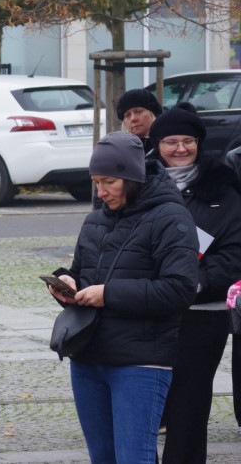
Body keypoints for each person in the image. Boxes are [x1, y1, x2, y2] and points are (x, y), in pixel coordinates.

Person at [46, 131, 199, 463]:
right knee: (102, 457)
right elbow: (82, 272)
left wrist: (108, 295)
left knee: (134, 457)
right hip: (88, 356)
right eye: (96, 182)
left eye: (109, 182)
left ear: (131, 178)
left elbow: (179, 290)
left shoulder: (171, 218)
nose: (100, 192)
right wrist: (65, 283)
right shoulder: (94, 220)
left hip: (140, 362)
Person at [146, 104, 241, 464]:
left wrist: (195, 283)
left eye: (189, 141)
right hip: (150, 307)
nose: (181, 149)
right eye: (171, 142)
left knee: (190, 400)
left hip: (203, 312)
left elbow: (235, 251)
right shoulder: (140, 183)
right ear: (157, 144)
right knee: (148, 398)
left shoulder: (223, 187)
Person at [116, 88, 162, 153]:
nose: (133, 118)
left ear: (153, 114)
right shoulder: (119, 151)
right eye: (127, 115)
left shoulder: (168, 146)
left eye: (139, 111)